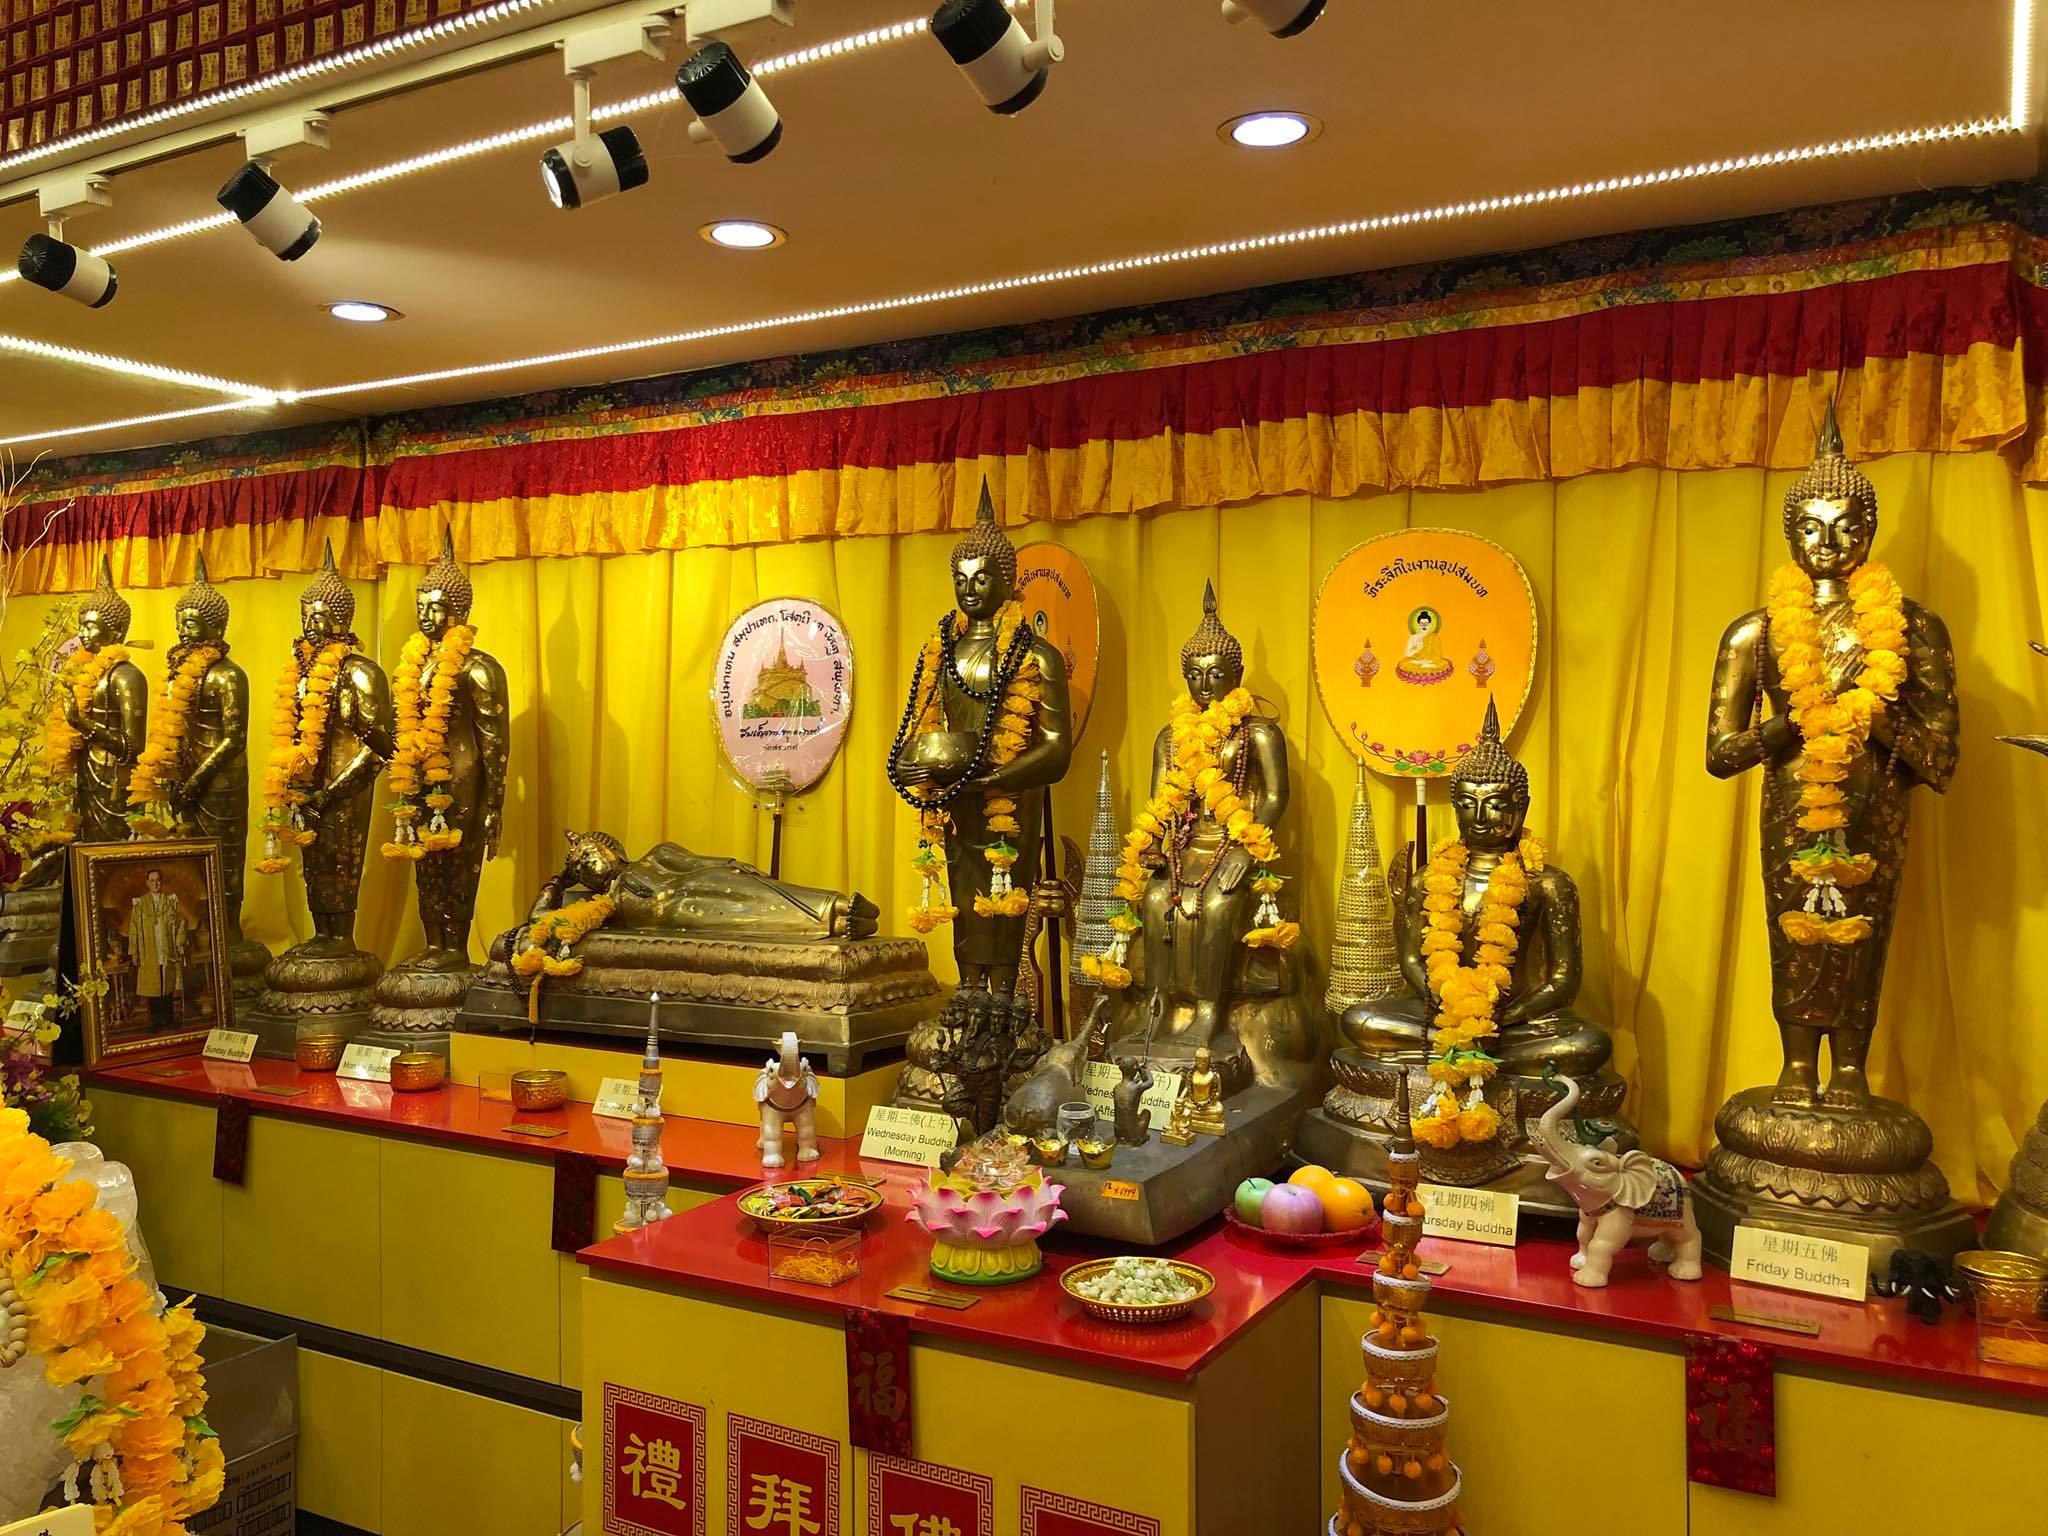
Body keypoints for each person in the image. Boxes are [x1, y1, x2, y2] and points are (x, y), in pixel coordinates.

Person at [131, 869, 188, 1031]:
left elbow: (180, 923)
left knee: (167, 985)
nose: (155, 883)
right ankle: (155, 1022)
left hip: (166, 949)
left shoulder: (170, 901)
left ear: (161, 882)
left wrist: (179, 943)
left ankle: (168, 1020)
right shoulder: (140, 904)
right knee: (153, 986)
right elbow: (134, 928)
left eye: (158, 880)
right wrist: (134, 952)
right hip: (149, 950)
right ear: (147, 883)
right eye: (152, 880)